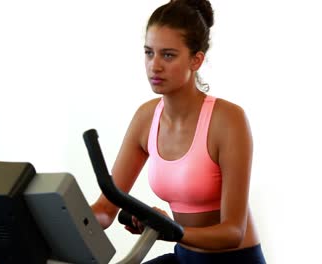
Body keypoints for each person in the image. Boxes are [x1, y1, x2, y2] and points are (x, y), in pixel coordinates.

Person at [91, 0, 266, 263]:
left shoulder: (228, 120)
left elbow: (233, 232)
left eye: (168, 55)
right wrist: (52, 221)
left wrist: (171, 229)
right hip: (185, 257)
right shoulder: (146, 118)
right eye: (149, 53)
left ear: (196, 60)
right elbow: (105, 210)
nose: (155, 65)